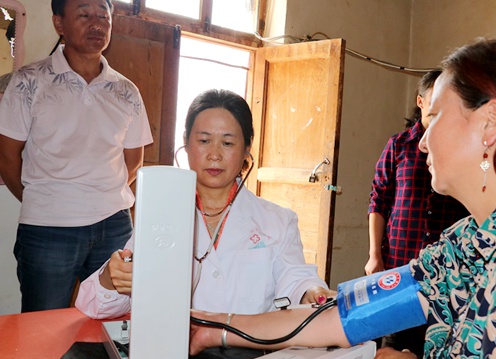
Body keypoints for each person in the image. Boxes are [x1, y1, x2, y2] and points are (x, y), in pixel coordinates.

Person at [187, 39, 496, 359]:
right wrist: (216, 328)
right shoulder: (470, 239)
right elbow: (345, 317)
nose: (422, 141)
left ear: (489, 123)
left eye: (434, 118)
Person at [76, 89, 335, 320]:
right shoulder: (160, 216)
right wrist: (112, 277)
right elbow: (93, 307)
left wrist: (311, 292)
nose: (214, 155)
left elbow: (295, 279)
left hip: (250, 351)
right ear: (186, 143)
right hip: (179, 352)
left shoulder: (278, 221)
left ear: (246, 148)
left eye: (227, 143)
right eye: (204, 141)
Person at [0, 0, 152, 312]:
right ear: (59, 23)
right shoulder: (28, 81)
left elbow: (133, 161)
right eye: (84, 14)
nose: (96, 24)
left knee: (112, 323)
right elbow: (7, 157)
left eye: (103, 16)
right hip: (47, 229)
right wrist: (45, 198)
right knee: (43, 325)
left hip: (114, 225)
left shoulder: (127, 91)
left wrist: (100, 195)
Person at [365, 70, 468, 357]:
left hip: (445, 270)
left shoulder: (460, 149)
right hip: (399, 264)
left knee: (434, 347)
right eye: (435, 99)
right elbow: (378, 200)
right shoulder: (399, 145)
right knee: (392, 348)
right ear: (420, 101)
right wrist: (375, 254)